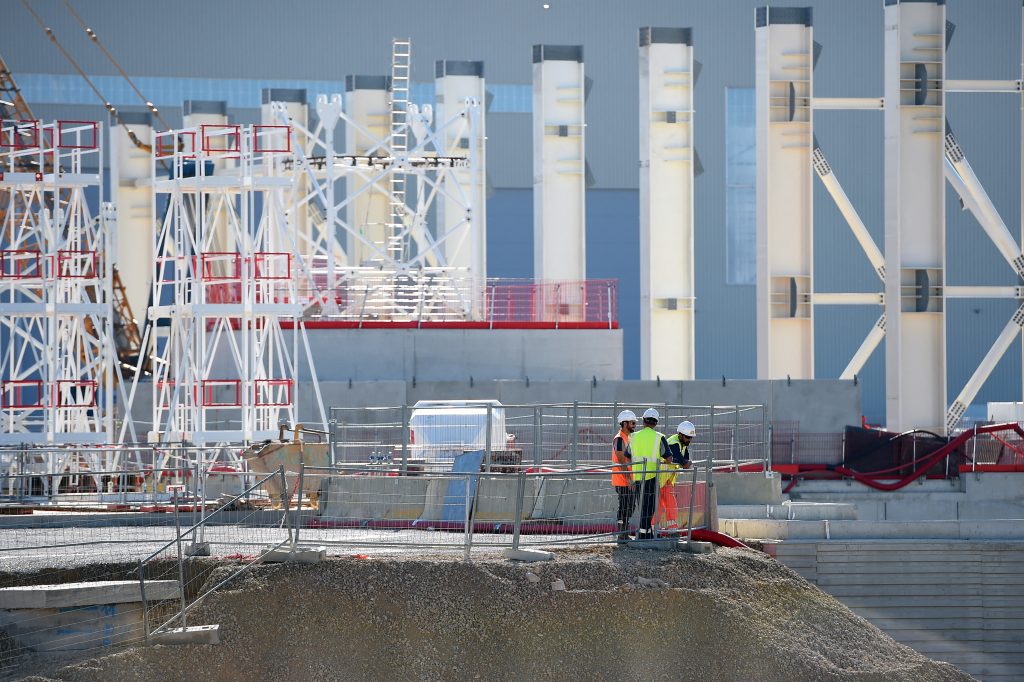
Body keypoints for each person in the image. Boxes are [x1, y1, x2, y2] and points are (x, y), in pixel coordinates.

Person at [626, 407, 672, 540]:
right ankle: (644, 534)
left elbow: (627, 456)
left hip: (638, 476)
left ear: (643, 421)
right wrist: (662, 460)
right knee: (650, 507)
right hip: (652, 476)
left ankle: (645, 533)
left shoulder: (633, 436)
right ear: (656, 423)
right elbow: (669, 459)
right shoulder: (659, 437)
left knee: (642, 507)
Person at [658, 421, 696, 533]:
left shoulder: (682, 444)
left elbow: (685, 461)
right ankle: (654, 528)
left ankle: (671, 528)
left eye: (691, 437)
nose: (689, 439)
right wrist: (686, 463)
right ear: (680, 434)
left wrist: (686, 463)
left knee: (670, 504)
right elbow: (684, 463)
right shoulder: (674, 443)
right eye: (687, 437)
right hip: (660, 478)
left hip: (667, 479)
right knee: (659, 505)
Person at [611, 409, 637, 542]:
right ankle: (622, 533)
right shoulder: (619, 439)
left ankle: (624, 531)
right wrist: (628, 479)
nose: (634, 425)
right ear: (625, 423)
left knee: (630, 505)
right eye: (632, 423)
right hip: (623, 480)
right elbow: (621, 460)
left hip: (628, 478)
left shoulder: (628, 438)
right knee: (625, 505)